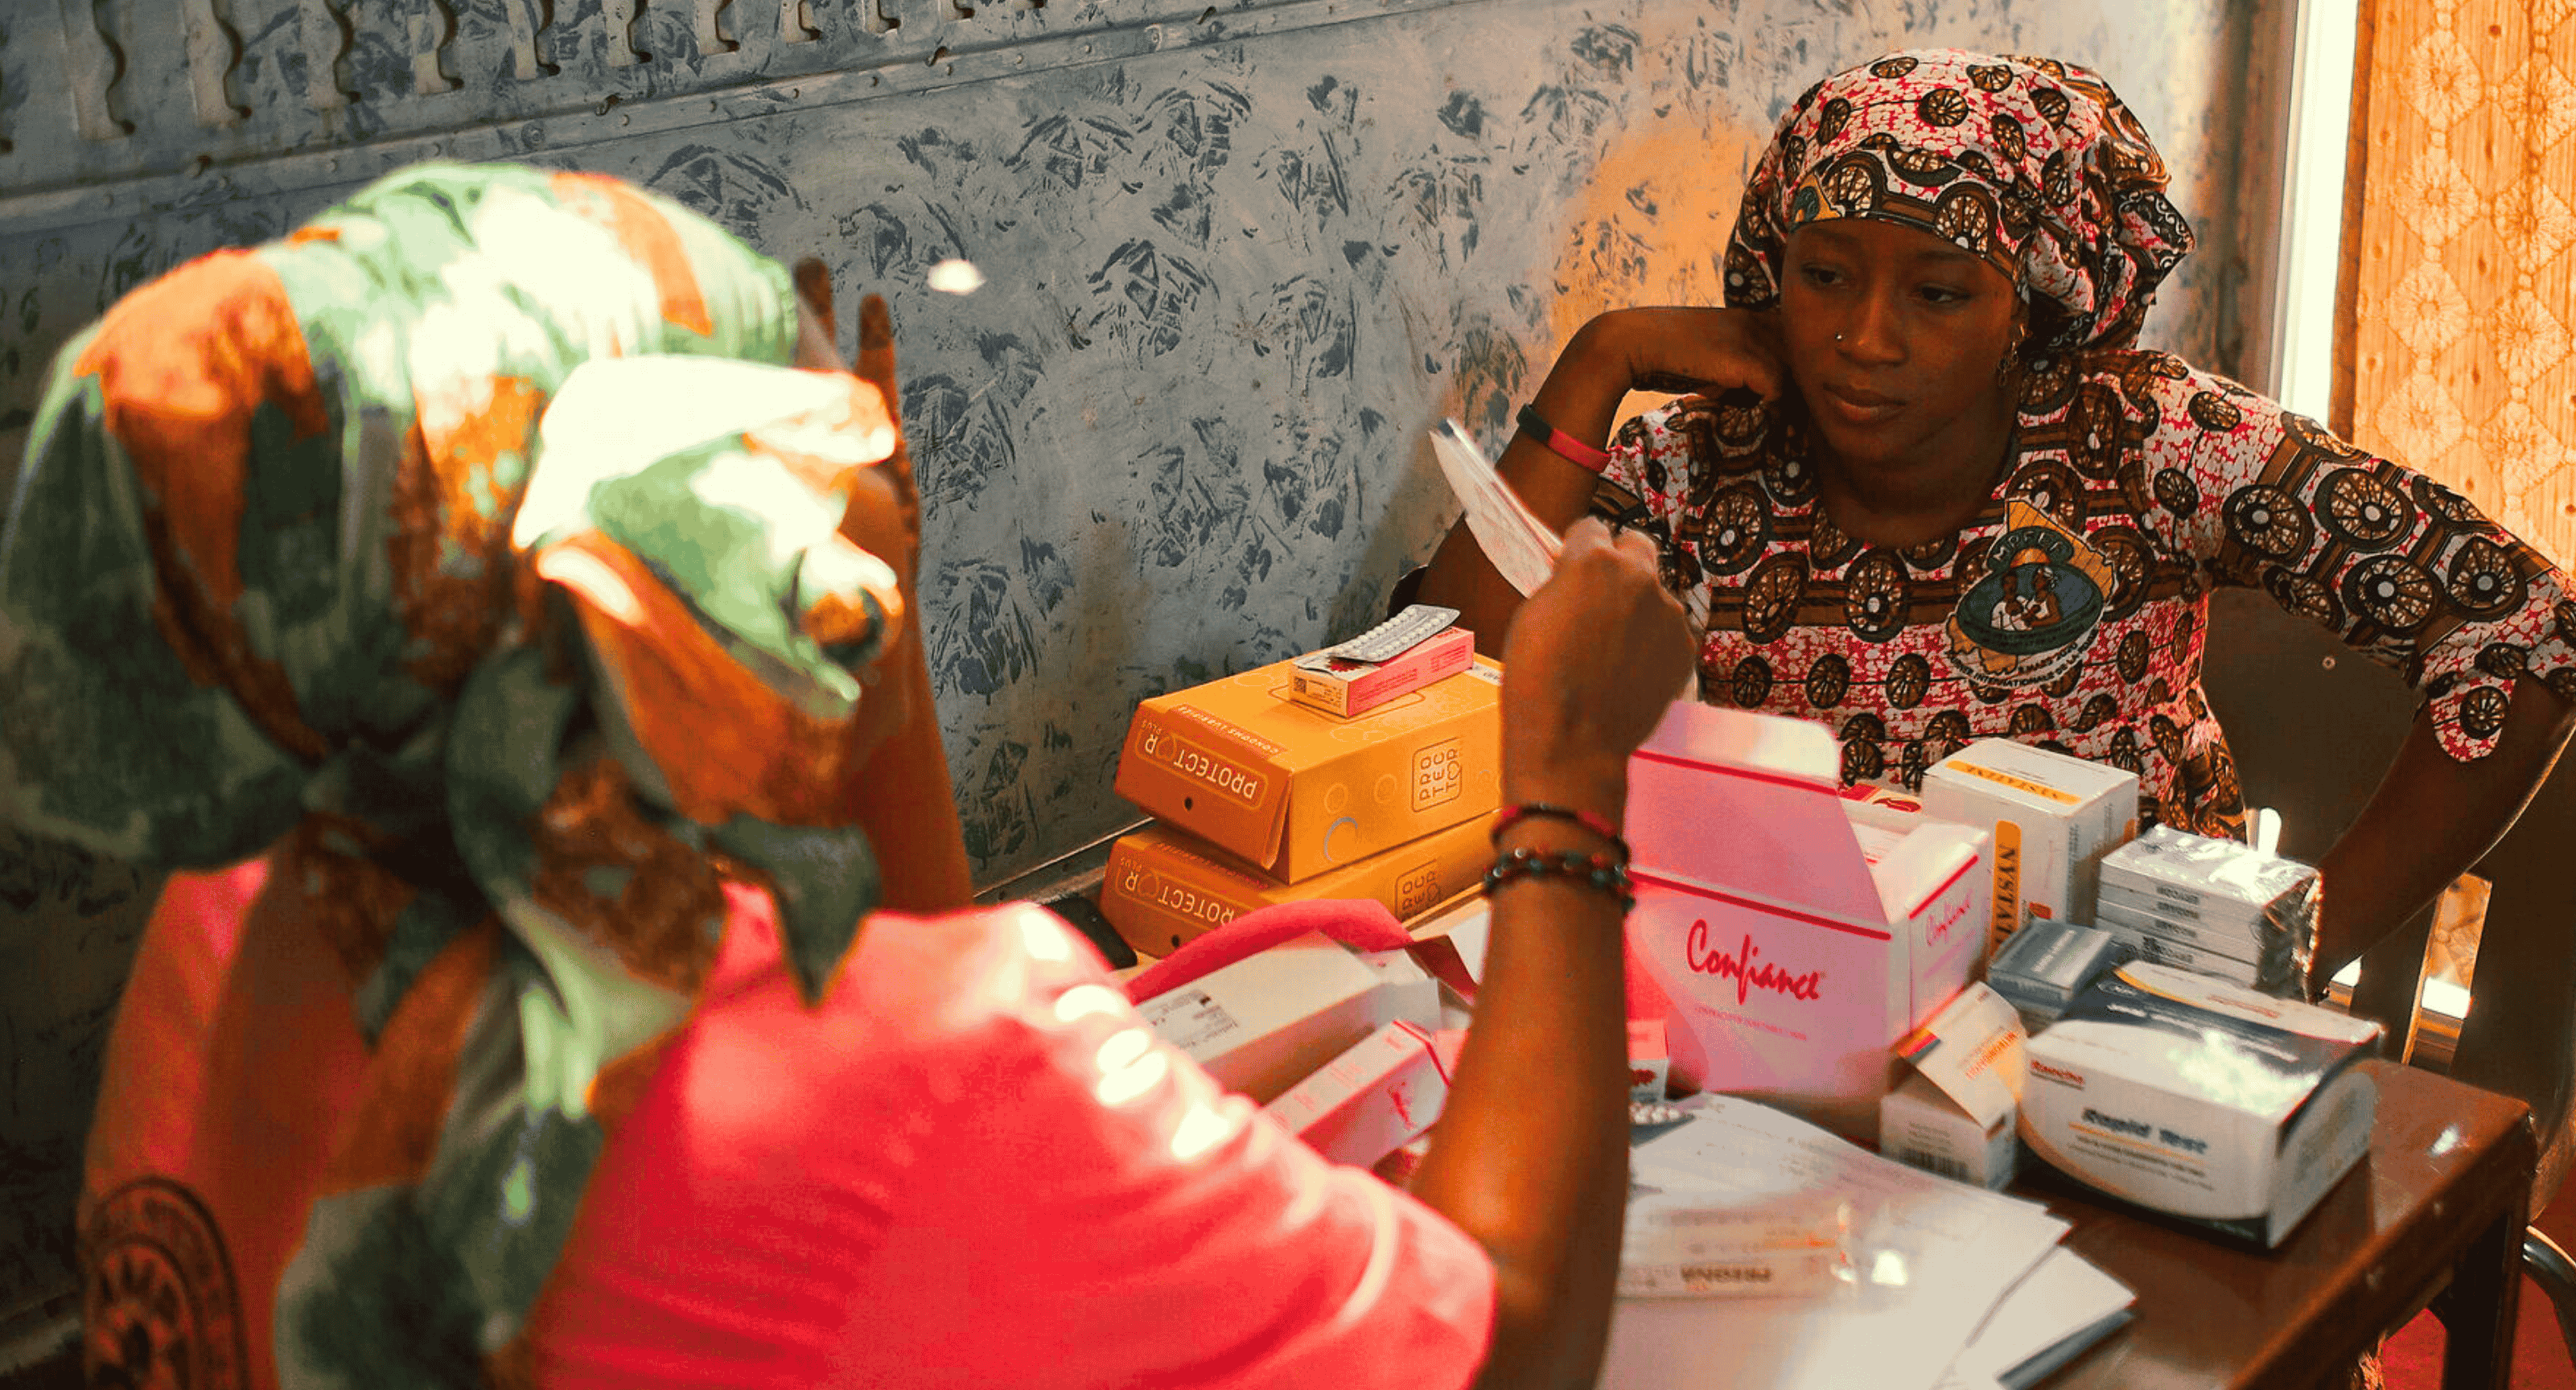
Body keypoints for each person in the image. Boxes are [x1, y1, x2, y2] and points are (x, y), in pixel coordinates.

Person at [2, 162, 1693, 1388]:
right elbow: (1514, 1332)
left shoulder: (246, 885)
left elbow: (916, 1015)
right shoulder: (919, 1087)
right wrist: (1562, 778)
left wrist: (853, 643)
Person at [1414, 47, 2576, 997]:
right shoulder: (1715, 459)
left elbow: (2532, 640)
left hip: (2122, 1018)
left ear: (2033, 302)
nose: (1864, 338)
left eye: (1941, 292)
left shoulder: (2146, 440)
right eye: (1824, 272)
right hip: (1812, 1003)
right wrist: (1600, 358)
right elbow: (1443, 676)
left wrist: (2298, 945)